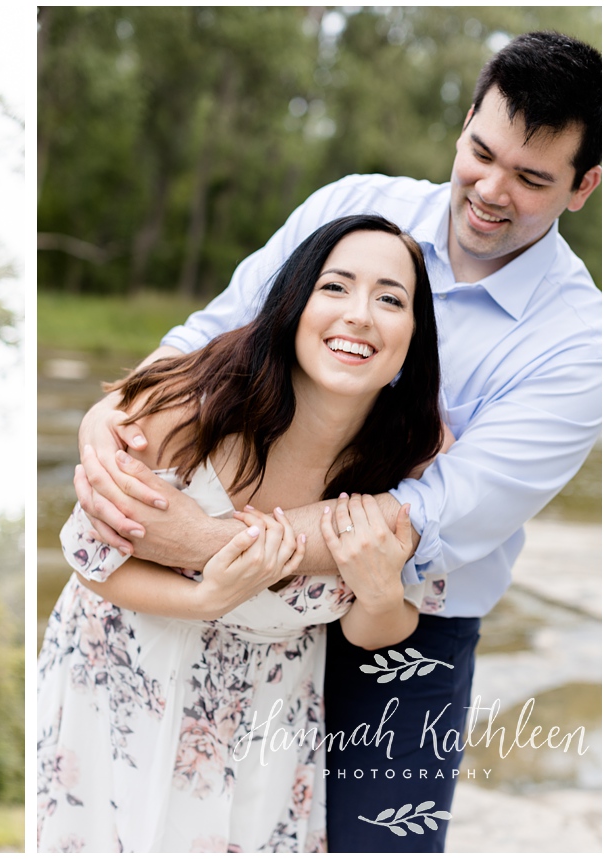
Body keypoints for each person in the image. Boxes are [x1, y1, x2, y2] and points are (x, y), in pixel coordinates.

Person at [72, 32, 601, 851]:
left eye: (531, 178)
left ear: (584, 187)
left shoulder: (578, 347)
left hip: (402, 624)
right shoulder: (348, 209)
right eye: (480, 153)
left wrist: (210, 542)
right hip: (216, 620)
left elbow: (425, 513)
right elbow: (213, 335)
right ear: (463, 123)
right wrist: (106, 426)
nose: (491, 190)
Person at [37, 214, 447, 851]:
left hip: (268, 728)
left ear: (414, 337)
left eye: (390, 299)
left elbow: (382, 630)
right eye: (334, 287)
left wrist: (380, 594)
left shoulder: (416, 459)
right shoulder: (191, 406)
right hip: (122, 691)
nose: (360, 315)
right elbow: (90, 560)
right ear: (293, 306)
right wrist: (203, 597)